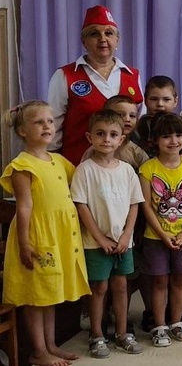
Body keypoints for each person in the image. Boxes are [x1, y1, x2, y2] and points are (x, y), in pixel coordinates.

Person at [2, 101, 90, 366]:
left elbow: (79, 180)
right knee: (35, 297)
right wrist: (24, 243)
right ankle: (38, 351)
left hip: (58, 237)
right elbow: (24, 206)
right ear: (22, 131)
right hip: (37, 237)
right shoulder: (22, 165)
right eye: (39, 122)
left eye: (50, 121)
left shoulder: (59, 161)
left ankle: (50, 345)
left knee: (48, 294)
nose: (47, 126)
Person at [71, 110, 145, 357]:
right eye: (100, 134)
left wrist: (126, 235)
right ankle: (97, 334)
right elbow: (81, 206)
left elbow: (135, 205)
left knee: (121, 287)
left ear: (121, 139)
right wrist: (100, 238)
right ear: (89, 137)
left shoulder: (127, 170)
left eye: (113, 135)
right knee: (99, 288)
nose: (106, 139)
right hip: (95, 242)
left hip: (123, 242)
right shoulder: (85, 170)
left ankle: (122, 333)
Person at [137, 113, 182, 347]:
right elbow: (146, 206)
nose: (173, 141)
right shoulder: (147, 169)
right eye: (166, 136)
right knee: (159, 282)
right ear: (155, 140)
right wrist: (162, 234)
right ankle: (159, 326)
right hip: (156, 237)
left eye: (178, 135)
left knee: (179, 281)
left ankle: (176, 322)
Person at [48, 5, 144, 165]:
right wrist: (54, 165)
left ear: (117, 40)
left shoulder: (133, 75)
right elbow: (53, 126)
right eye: (94, 33)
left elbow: (138, 124)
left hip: (124, 169)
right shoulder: (65, 75)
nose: (102, 39)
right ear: (83, 41)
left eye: (109, 33)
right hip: (77, 166)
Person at [81, 95, 148, 170]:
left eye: (132, 116)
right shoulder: (94, 150)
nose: (127, 119)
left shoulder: (136, 152)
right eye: (120, 115)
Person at [134, 76, 180, 158]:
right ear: (145, 100)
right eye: (154, 99)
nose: (160, 104)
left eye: (166, 99)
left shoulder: (181, 126)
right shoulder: (137, 128)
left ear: (175, 101)